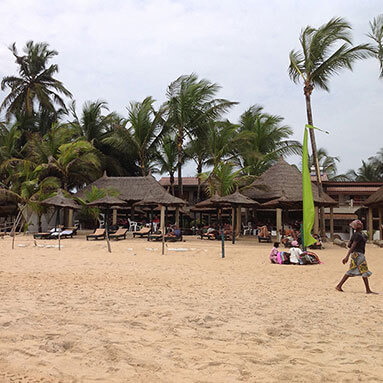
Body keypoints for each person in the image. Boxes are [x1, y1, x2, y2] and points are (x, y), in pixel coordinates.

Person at [336, 220, 377, 294]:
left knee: (351, 270)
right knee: (364, 270)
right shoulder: (359, 235)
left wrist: (349, 255)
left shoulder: (356, 235)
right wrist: (347, 257)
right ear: (357, 227)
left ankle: (339, 286)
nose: (361, 225)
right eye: (359, 224)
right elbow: (352, 246)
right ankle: (368, 290)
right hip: (359, 255)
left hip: (355, 255)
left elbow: (349, 245)